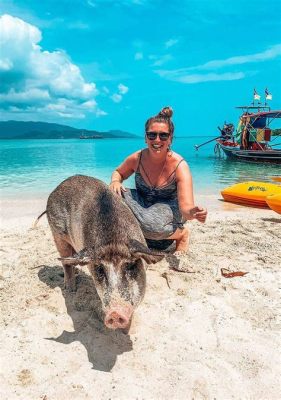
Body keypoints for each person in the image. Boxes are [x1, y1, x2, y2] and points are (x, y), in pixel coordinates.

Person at [109, 107, 207, 254]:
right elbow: (118, 172)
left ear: (171, 138)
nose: (157, 140)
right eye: (152, 135)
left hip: (168, 210)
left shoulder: (180, 166)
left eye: (163, 136)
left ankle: (181, 234)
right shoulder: (137, 158)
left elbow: (185, 208)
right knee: (109, 196)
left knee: (151, 225)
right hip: (142, 203)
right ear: (145, 137)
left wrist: (193, 213)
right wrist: (115, 182)